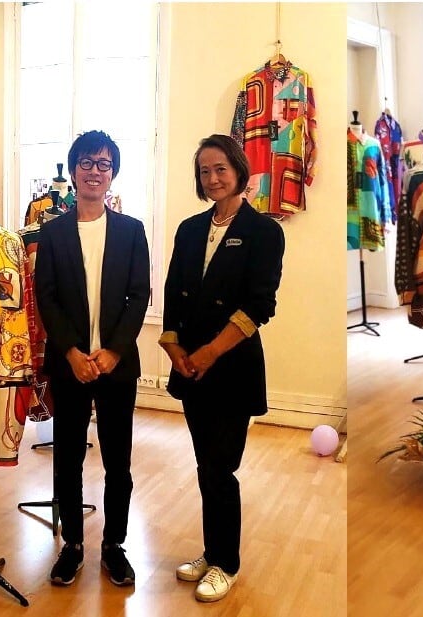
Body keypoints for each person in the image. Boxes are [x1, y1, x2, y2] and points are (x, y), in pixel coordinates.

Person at [160, 134, 284, 603]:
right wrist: (175, 351)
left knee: (220, 467)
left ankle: (226, 564)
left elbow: (259, 305)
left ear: (238, 171)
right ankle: (212, 552)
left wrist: (209, 353)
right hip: (190, 367)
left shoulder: (264, 232)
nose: (212, 179)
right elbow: (172, 292)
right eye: (204, 171)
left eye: (220, 169)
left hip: (231, 368)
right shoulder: (190, 229)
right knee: (205, 465)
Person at [36, 130, 152, 587]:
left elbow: (138, 295)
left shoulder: (130, 231)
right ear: (74, 170)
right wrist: (71, 352)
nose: (94, 171)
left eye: (103, 164)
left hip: (116, 365)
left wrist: (114, 350)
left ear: (113, 173)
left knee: (118, 461)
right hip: (70, 365)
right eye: (86, 162)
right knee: (67, 458)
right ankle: (73, 545)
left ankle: (114, 545)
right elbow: (46, 297)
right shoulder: (53, 232)